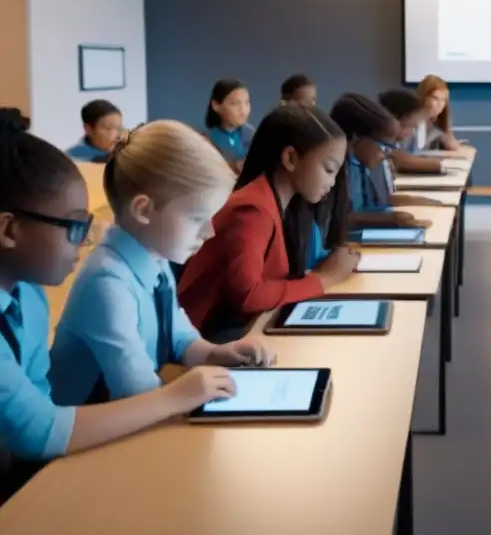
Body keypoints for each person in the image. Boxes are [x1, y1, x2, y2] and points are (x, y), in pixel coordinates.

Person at [0, 114, 235, 502]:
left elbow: (174, 330)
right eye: (76, 227)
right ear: (9, 229)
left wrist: (207, 353)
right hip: (41, 469)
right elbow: (37, 431)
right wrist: (177, 396)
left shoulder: (30, 296)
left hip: (60, 455)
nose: (89, 238)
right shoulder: (105, 281)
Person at [50, 121, 275, 406]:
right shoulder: (107, 284)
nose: (210, 232)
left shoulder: (154, 259)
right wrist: (187, 391)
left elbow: (179, 339)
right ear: (144, 210)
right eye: (197, 219)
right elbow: (137, 392)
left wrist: (217, 353)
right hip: (85, 438)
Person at [178, 104, 359, 340]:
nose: (333, 182)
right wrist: (327, 277)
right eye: (328, 169)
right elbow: (248, 295)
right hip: (207, 338)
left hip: (243, 328)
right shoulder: (252, 209)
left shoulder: (285, 204)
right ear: (291, 158)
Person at [329, 94, 431, 230]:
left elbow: (374, 205)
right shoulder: (336, 171)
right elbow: (342, 218)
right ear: (356, 137)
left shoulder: (361, 164)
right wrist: (392, 219)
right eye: (383, 146)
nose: (386, 154)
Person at [204, 78, 253, 172]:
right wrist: (232, 166)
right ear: (216, 106)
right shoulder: (208, 140)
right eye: (235, 104)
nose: (243, 110)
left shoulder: (250, 133)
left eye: (247, 103)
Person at [414, 74, 462, 152]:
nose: (440, 105)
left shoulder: (435, 129)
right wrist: (439, 164)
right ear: (423, 97)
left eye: (443, 100)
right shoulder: (410, 124)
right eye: (435, 98)